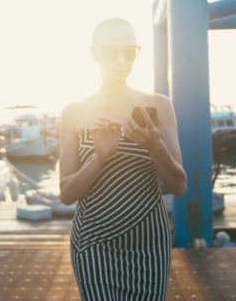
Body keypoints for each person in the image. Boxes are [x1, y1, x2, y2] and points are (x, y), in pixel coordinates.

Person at [59, 17, 187, 300]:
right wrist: (100, 157)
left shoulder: (158, 105)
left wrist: (154, 145)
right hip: (93, 238)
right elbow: (67, 193)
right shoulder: (74, 112)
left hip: (148, 239)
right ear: (94, 53)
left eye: (129, 52)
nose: (121, 60)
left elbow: (179, 185)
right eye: (111, 52)